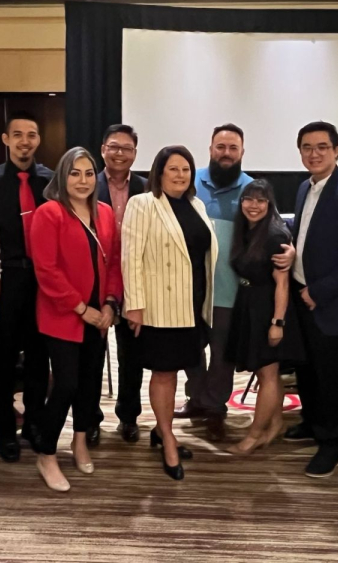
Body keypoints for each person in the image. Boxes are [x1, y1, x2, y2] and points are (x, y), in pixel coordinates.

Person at [123, 146, 218, 481]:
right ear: (159, 172)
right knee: (163, 374)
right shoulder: (143, 204)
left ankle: (163, 430)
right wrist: (133, 304)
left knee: (176, 370)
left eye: (186, 169)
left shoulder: (197, 204)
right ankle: (168, 439)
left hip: (192, 304)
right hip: (158, 307)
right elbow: (130, 257)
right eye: (173, 169)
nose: (180, 175)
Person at [30, 148, 122, 492]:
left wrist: (111, 303)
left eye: (88, 173)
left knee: (88, 384)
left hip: (99, 315)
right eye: (74, 173)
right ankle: (46, 452)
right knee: (66, 384)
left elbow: (114, 263)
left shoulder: (105, 213)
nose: (82, 181)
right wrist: (83, 309)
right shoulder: (49, 213)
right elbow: (47, 271)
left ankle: (80, 441)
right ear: (62, 176)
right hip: (63, 316)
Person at [285, 121, 338, 478]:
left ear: (337, 150)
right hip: (300, 294)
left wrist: (317, 291)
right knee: (305, 366)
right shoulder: (305, 188)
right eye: (307, 147)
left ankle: (332, 442)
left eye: (322, 146)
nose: (314, 153)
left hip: (327, 301)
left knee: (329, 374)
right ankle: (311, 421)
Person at [0, 113, 53, 462]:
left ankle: (34, 424)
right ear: (6, 139)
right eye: (18, 135)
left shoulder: (52, 182)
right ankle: (6, 430)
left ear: (38, 140)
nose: (25, 141)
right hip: (5, 279)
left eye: (32, 135)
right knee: (5, 359)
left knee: (38, 359)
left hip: (42, 280)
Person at [175, 124, 254, 442]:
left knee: (222, 355)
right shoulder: (188, 183)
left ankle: (215, 406)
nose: (226, 153)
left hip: (228, 290)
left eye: (233, 148)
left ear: (242, 153)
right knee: (190, 349)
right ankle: (196, 398)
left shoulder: (252, 189)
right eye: (220, 147)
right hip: (189, 289)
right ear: (210, 149)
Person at [225, 179, 303, 455]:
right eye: (249, 199)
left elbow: (282, 284)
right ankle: (277, 424)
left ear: (270, 205)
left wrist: (277, 323)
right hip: (250, 304)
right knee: (267, 372)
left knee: (268, 373)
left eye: (261, 200)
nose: (254, 205)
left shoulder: (274, 235)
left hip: (269, 308)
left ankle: (254, 435)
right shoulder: (247, 230)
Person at [89, 124, 147, 444]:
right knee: (93, 356)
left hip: (135, 282)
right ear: (103, 150)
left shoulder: (147, 187)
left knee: (132, 355)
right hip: (95, 282)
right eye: (114, 147)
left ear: (135, 154)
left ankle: (129, 417)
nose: (120, 153)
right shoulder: (86, 185)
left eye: (127, 148)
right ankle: (91, 419)